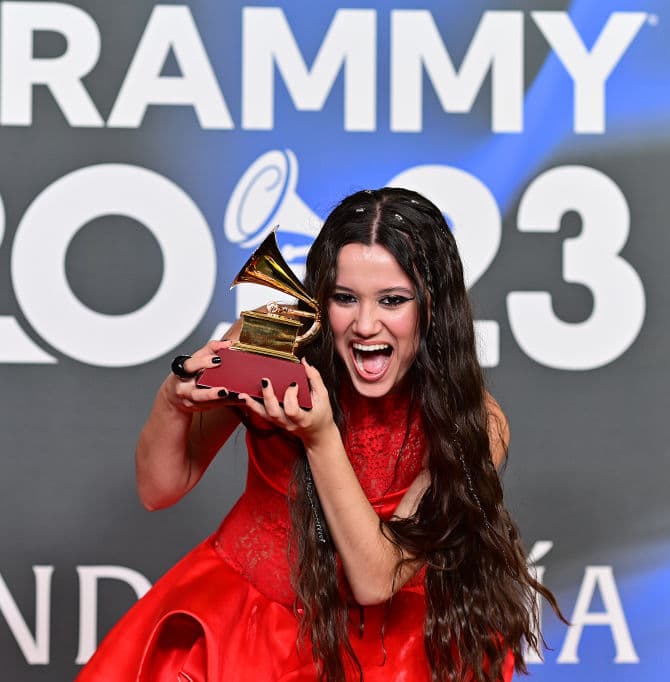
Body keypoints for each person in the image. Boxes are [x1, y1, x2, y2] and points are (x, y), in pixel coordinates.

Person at [77, 188, 559, 682]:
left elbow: (376, 579)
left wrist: (320, 435)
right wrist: (173, 401)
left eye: (392, 301)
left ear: (432, 307)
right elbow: (159, 489)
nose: (366, 324)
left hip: (392, 655)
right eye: (344, 298)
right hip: (244, 635)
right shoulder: (272, 346)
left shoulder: (474, 422)